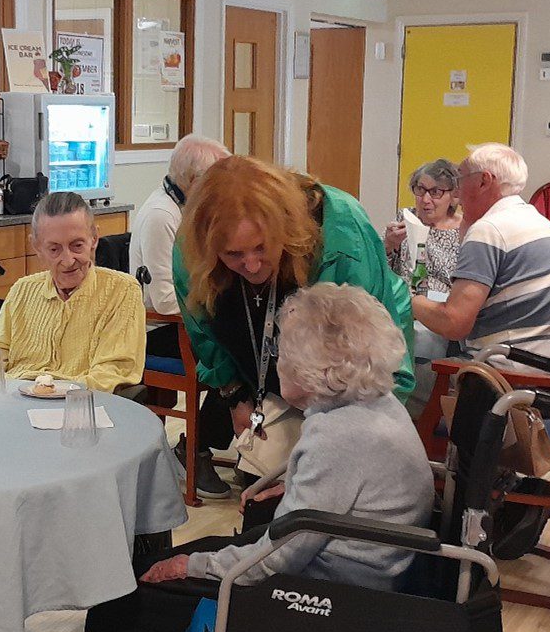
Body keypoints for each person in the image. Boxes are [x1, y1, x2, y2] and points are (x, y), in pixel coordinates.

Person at [57, 283, 435, 632]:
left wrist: (192, 565)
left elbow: (278, 558)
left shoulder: (340, 435)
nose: (277, 361)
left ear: (314, 366)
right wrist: (295, 487)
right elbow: (346, 495)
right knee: (144, 579)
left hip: (321, 600)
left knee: (125, 603)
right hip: (351, 576)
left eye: (283, 352)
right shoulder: (375, 406)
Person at [172, 156, 415, 494]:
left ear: (286, 230)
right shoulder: (192, 249)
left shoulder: (341, 232)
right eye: (233, 255)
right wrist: (235, 396)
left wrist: (335, 453)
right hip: (268, 375)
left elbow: (373, 364)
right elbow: (204, 331)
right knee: (262, 487)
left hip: (351, 376)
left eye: (262, 247)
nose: (252, 266)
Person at [411, 143, 550, 375]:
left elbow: (453, 323)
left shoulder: (490, 229)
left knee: (393, 382)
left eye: (460, 180)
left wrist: (407, 299)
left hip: (503, 376)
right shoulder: (538, 222)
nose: (457, 194)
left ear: (484, 181)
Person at [0, 192, 146, 393]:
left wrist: (47, 389)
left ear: (94, 239)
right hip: (15, 401)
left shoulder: (122, 291)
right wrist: (22, 389)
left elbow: (111, 373)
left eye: (77, 246)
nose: (68, 260)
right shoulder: (22, 290)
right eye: (54, 249)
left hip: (80, 405)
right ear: (37, 247)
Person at [129, 134, 230, 342]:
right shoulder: (161, 216)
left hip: (188, 321)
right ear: (195, 181)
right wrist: (218, 304)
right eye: (217, 181)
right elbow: (164, 302)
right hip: (163, 331)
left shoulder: (185, 205)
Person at [385, 159, 463, 295]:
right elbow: (377, 268)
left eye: (435, 192)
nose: (425, 200)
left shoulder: (465, 230)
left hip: (445, 304)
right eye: (420, 190)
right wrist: (389, 245)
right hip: (404, 300)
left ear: (454, 196)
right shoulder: (405, 218)